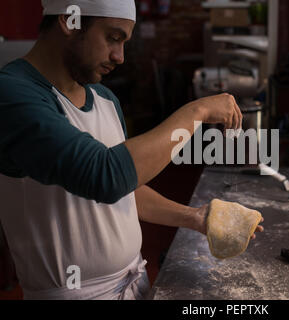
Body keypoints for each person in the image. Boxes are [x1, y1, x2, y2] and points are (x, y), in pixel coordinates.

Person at [0, 0, 263, 300]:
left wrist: (194, 217)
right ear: (69, 20)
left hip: (133, 284)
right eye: (113, 37)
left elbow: (127, 186)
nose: (119, 56)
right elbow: (105, 175)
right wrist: (197, 112)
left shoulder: (104, 98)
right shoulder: (12, 95)